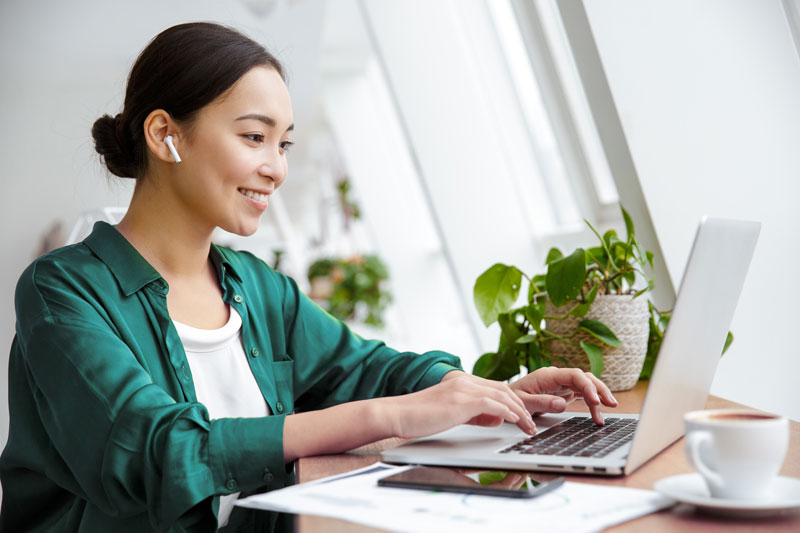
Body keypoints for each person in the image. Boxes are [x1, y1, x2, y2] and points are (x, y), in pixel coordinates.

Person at [0, 22, 616, 532]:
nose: (276, 169)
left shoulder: (255, 285)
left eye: (285, 145)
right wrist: (397, 416)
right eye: (253, 137)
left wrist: (481, 391)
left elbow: (369, 368)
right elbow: (158, 453)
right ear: (165, 135)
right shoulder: (62, 293)